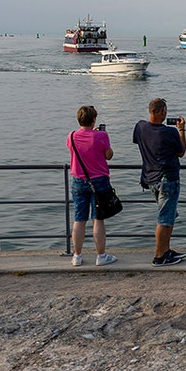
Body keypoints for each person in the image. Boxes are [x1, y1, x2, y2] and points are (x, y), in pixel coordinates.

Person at [133, 98, 186, 267]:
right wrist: (181, 130)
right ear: (163, 112)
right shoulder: (169, 132)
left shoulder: (140, 127)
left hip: (151, 179)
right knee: (164, 218)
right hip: (167, 179)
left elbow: (140, 141)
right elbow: (182, 151)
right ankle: (159, 256)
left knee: (168, 216)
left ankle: (166, 250)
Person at [68, 106, 116, 267]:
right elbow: (108, 155)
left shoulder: (72, 136)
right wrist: (99, 136)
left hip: (78, 181)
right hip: (99, 181)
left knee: (79, 219)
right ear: (94, 119)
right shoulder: (101, 136)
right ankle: (101, 256)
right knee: (98, 219)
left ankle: (77, 256)